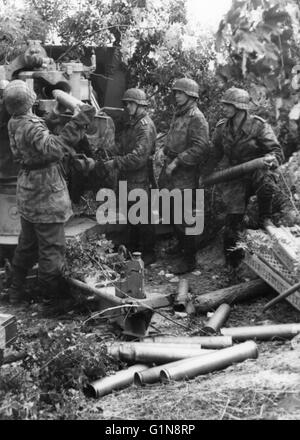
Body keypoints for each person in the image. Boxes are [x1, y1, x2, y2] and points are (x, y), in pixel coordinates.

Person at [3, 79, 96, 303]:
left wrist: (53, 116)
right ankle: (51, 298)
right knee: (51, 248)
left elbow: (35, 133)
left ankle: (16, 290)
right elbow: (53, 149)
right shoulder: (29, 126)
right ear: (29, 100)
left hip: (28, 190)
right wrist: (78, 121)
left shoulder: (14, 121)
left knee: (27, 244)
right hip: (45, 191)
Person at [211, 86, 286, 268]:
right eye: (225, 104)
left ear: (240, 107)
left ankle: (264, 217)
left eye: (229, 105)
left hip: (256, 172)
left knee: (266, 177)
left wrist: (271, 159)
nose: (225, 108)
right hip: (235, 176)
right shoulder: (222, 128)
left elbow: (277, 152)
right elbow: (214, 153)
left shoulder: (258, 125)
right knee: (232, 222)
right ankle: (233, 265)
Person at [158, 77, 209, 274]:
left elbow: (201, 147)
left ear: (191, 96)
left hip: (184, 173)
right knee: (168, 209)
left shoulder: (197, 118)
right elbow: (173, 137)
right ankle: (180, 245)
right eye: (176, 93)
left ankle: (189, 259)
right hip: (170, 168)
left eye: (180, 93)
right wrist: (163, 150)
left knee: (184, 216)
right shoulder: (179, 114)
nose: (176, 96)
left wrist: (178, 161)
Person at [104, 88, 157, 266]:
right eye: (127, 103)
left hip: (139, 179)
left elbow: (139, 157)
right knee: (132, 217)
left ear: (140, 105)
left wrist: (116, 162)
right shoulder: (132, 124)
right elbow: (122, 146)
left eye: (131, 103)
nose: (127, 106)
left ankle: (149, 253)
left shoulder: (145, 126)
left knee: (143, 218)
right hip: (128, 178)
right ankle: (134, 250)